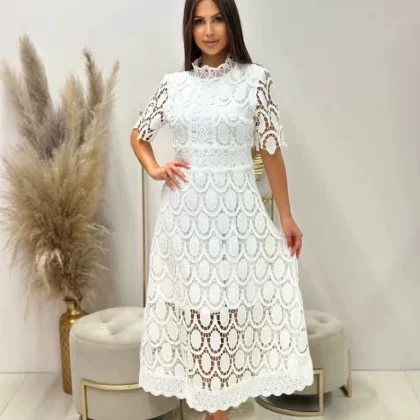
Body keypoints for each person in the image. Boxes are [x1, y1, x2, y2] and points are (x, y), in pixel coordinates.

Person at [130, 0, 314, 418]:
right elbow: (138, 135)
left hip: (236, 218)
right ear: (189, 28)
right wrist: (155, 168)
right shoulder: (174, 84)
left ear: (231, 24)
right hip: (185, 221)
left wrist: (286, 215)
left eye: (217, 20)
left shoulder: (255, 80)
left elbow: (270, 151)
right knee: (198, 315)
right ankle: (216, 412)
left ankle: (220, 407)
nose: (209, 31)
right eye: (199, 21)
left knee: (231, 312)